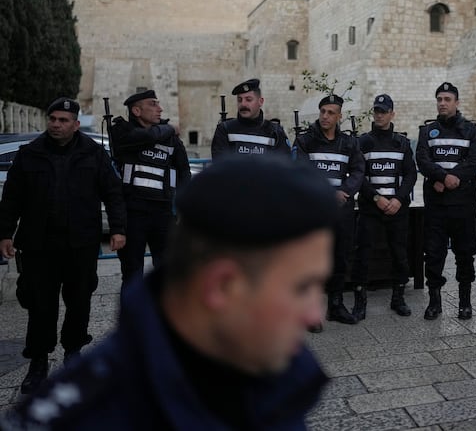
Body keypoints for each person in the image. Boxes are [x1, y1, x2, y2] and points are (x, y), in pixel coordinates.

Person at [2, 156, 337, 429]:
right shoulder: (83, 416)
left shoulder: (273, 359)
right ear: (221, 286)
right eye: (302, 287)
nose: (315, 315)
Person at [0, 98, 126, 395]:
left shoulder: (93, 153)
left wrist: (119, 229)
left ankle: (73, 356)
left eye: (63, 120)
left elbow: (112, 192)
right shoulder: (30, 154)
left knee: (79, 301)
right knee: (40, 305)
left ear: (75, 124)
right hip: (39, 244)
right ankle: (38, 363)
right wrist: (5, 233)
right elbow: (12, 198)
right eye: (53, 119)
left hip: (80, 243)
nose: (56, 124)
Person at [293, 95, 365, 326]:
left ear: (339, 116)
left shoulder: (349, 143)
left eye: (330, 112)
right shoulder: (305, 141)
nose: (325, 116)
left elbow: (358, 170)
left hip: (341, 210)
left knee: (339, 257)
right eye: (323, 111)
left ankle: (335, 305)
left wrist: (344, 191)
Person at [110, 89, 191, 290]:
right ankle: (133, 320)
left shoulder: (171, 140)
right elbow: (141, 137)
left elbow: (184, 174)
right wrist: (170, 128)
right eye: (153, 104)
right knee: (132, 275)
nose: (160, 109)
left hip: (163, 214)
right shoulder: (123, 132)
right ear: (136, 111)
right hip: (133, 214)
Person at [416, 82, 476, 320]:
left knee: (465, 254)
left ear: (456, 102)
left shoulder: (471, 130)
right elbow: (422, 159)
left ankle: (465, 302)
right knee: (433, 254)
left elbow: (473, 161)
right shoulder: (427, 131)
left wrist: (451, 179)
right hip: (436, 206)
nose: (442, 103)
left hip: (463, 205)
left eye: (447, 99)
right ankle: (435, 302)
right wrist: (442, 176)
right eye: (439, 99)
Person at [353, 94, 417, 319]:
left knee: (399, 253)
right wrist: (376, 198)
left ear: (392, 114)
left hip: (396, 208)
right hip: (371, 208)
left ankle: (398, 298)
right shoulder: (362, 142)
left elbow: (410, 174)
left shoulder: (401, 142)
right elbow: (358, 175)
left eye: (383, 111)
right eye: (376, 111)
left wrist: (399, 199)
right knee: (363, 253)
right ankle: (360, 301)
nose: (379, 115)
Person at [211, 78, 291, 159]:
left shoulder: (275, 132)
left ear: (260, 101)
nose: (243, 104)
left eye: (248, 100)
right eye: (239, 100)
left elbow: (284, 165)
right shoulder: (225, 130)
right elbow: (220, 165)